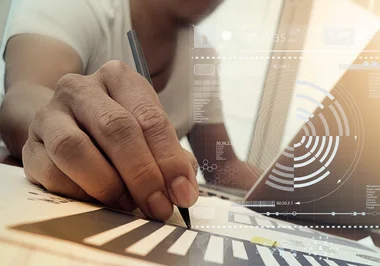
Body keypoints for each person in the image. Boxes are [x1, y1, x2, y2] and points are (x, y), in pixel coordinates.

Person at [0, 0, 255, 222]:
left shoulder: (203, 57)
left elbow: (222, 165)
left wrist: (285, 184)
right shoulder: (74, 6)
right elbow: (25, 95)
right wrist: (58, 127)